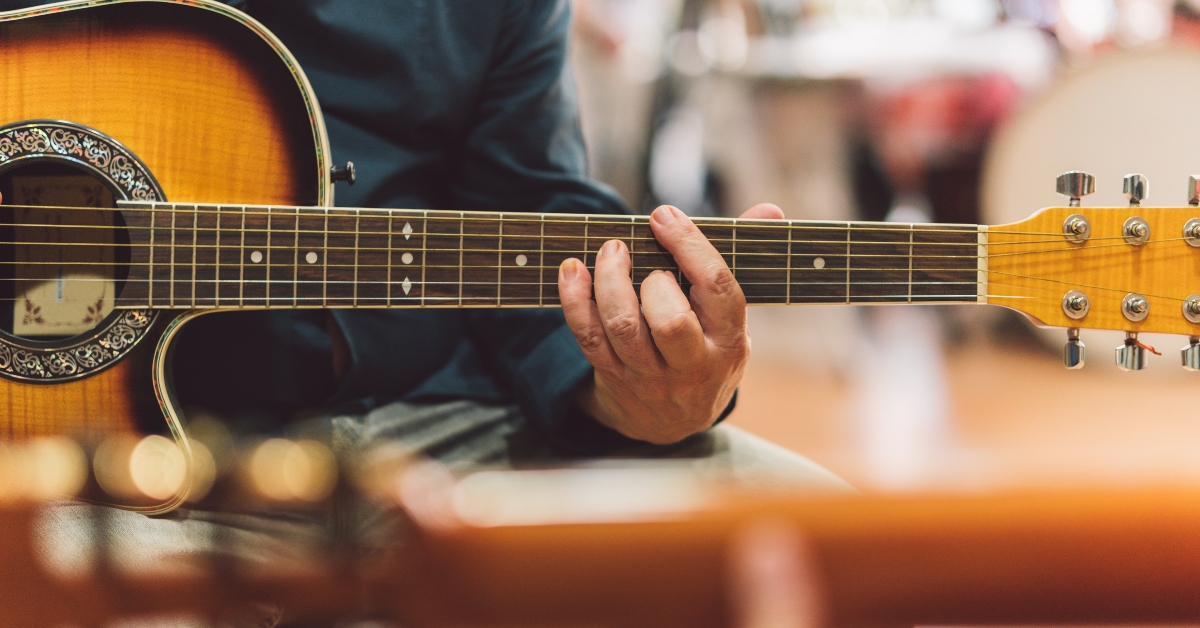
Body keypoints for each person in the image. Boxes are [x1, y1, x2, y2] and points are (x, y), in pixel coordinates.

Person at [5, 0, 849, 623]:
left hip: (430, 438)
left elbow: (531, 205)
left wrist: (636, 388)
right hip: (88, 474)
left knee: (842, 558)